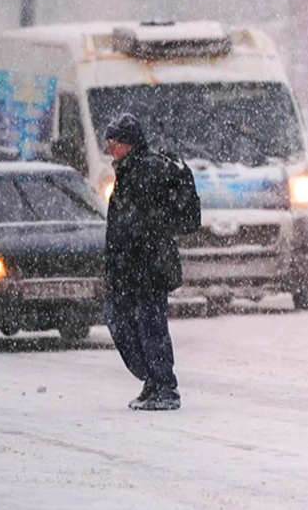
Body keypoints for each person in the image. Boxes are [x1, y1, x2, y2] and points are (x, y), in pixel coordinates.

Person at [102, 114, 184, 411]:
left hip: (147, 268)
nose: (109, 146)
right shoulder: (128, 170)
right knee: (123, 321)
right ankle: (152, 380)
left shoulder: (146, 170)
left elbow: (147, 222)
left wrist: (137, 251)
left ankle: (164, 386)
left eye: (115, 141)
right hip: (130, 267)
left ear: (129, 143)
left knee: (151, 327)